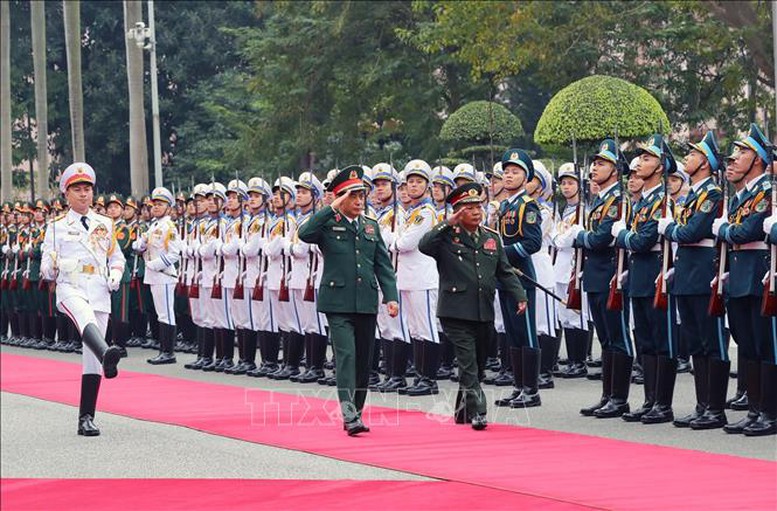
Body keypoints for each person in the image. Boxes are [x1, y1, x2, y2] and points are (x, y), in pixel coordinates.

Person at [298, 165, 399, 436]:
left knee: (365, 360)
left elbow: (383, 265)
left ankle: (356, 410)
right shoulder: (328, 223)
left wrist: (391, 296)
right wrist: (332, 207)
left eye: (360, 197)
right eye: (352, 197)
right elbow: (305, 234)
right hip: (337, 301)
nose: (358, 202)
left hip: (365, 300)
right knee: (346, 355)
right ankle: (349, 412)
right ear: (341, 198)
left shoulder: (370, 226)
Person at [419, 182, 527, 430]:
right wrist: (448, 222)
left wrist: (519, 295)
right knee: (468, 363)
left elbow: (505, 271)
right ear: (457, 211)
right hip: (455, 311)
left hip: (482, 310)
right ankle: (479, 412)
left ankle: (462, 411)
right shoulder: (446, 237)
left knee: (477, 365)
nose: (476, 211)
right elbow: (424, 245)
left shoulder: (491, 237)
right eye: (469, 208)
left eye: (478, 206)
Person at [41, 162, 126, 436]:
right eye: (77, 189)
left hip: (99, 288)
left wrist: (115, 273)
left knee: (90, 360)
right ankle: (106, 353)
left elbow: (116, 257)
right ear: (67, 194)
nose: (83, 194)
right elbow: (46, 265)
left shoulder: (105, 223)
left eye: (87, 189)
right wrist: (52, 266)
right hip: (71, 286)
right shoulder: (56, 226)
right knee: (84, 317)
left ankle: (86, 418)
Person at [658, 130, 729, 430]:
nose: (687, 157)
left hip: (702, 274)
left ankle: (715, 408)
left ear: (706, 162)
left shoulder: (711, 194)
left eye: (693, 153)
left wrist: (669, 229)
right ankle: (702, 406)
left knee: (711, 343)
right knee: (697, 345)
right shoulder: (692, 196)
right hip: (687, 274)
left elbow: (691, 232)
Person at [713, 123, 775, 436]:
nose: (734, 158)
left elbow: (746, 232)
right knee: (747, 345)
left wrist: (723, 230)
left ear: (760, 160)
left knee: (765, 345)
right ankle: (753, 409)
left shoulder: (768, 193)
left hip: (758, 274)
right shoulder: (741, 196)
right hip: (739, 274)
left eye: (743, 152)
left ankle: (769, 412)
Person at [133, 187, 183, 365]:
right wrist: (140, 245)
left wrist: (154, 265)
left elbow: (174, 254)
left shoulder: (169, 227)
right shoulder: (154, 225)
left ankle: (168, 352)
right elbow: (138, 245)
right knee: (159, 313)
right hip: (153, 275)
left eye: (160, 204)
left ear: (169, 208)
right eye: (154, 204)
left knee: (166, 314)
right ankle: (163, 350)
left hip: (164, 274)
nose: (155, 207)